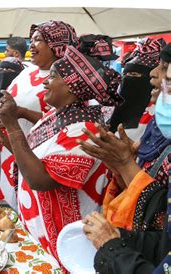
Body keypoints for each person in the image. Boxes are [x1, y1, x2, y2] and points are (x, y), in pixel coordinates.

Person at [0, 44, 123, 262]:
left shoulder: (85, 129)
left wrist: (13, 126)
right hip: (42, 233)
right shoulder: (57, 117)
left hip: (65, 241)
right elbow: (36, 160)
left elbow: (41, 179)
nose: (45, 81)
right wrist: (8, 142)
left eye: (53, 76)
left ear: (72, 86)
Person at [80, 44, 171, 273]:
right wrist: (120, 237)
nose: (156, 77)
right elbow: (165, 242)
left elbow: (158, 213)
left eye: (166, 75)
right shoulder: (158, 128)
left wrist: (112, 247)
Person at [0, 20, 79, 209]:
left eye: (39, 40)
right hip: (12, 151)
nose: (32, 46)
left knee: (37, 212)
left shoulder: (68, 79)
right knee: (15, 214)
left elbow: (65, 119)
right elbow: (0, 112)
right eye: (31, 40)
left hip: (41, 163)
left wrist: (23, 113)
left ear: (56, 45)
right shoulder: (26, 73)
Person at [109, 38, 165, 140]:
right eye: (125, 74)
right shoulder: (114, 107)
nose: (126, 80)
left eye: (134, 74)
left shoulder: (158, 115)